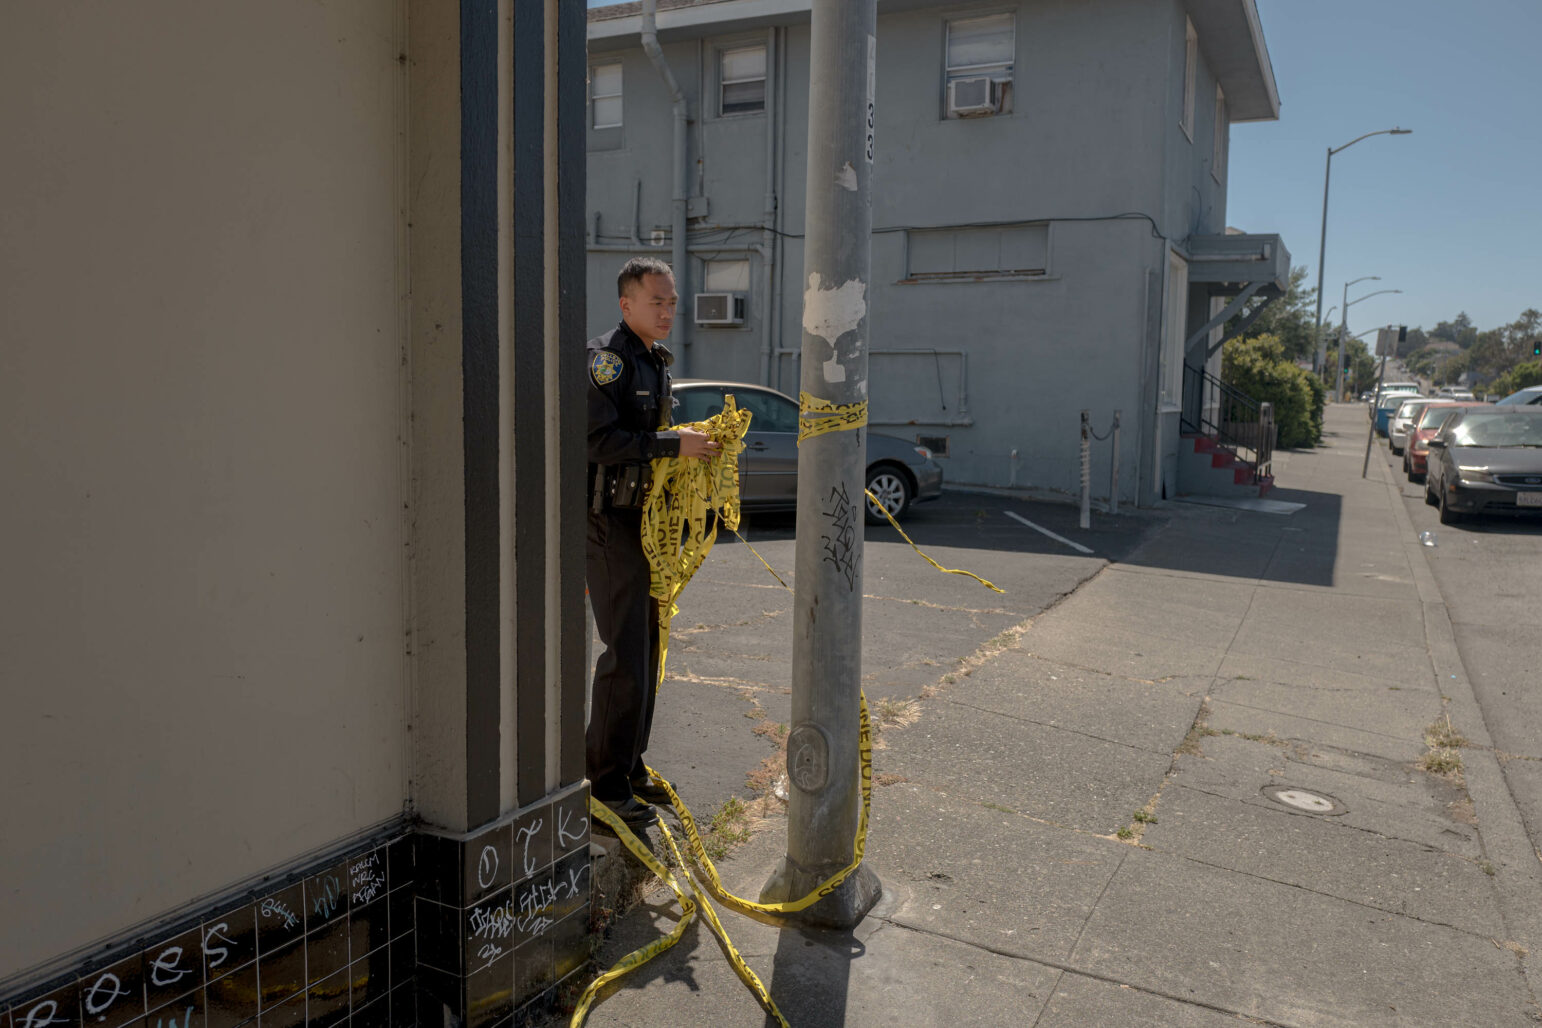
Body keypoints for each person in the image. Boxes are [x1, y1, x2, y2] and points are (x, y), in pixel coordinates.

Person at [587, 257, 719, 828]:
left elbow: (648, 438)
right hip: (608, 524)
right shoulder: (607, 362)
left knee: (647, 650)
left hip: (647, 524)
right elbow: (597, 440)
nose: (667, 311)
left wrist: (687, 445)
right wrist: (672, 444)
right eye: (656, 302)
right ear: (626, 305)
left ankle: (631, 768)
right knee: (626, 657)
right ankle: (603, 787)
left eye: (671, 302)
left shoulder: (655, 361)